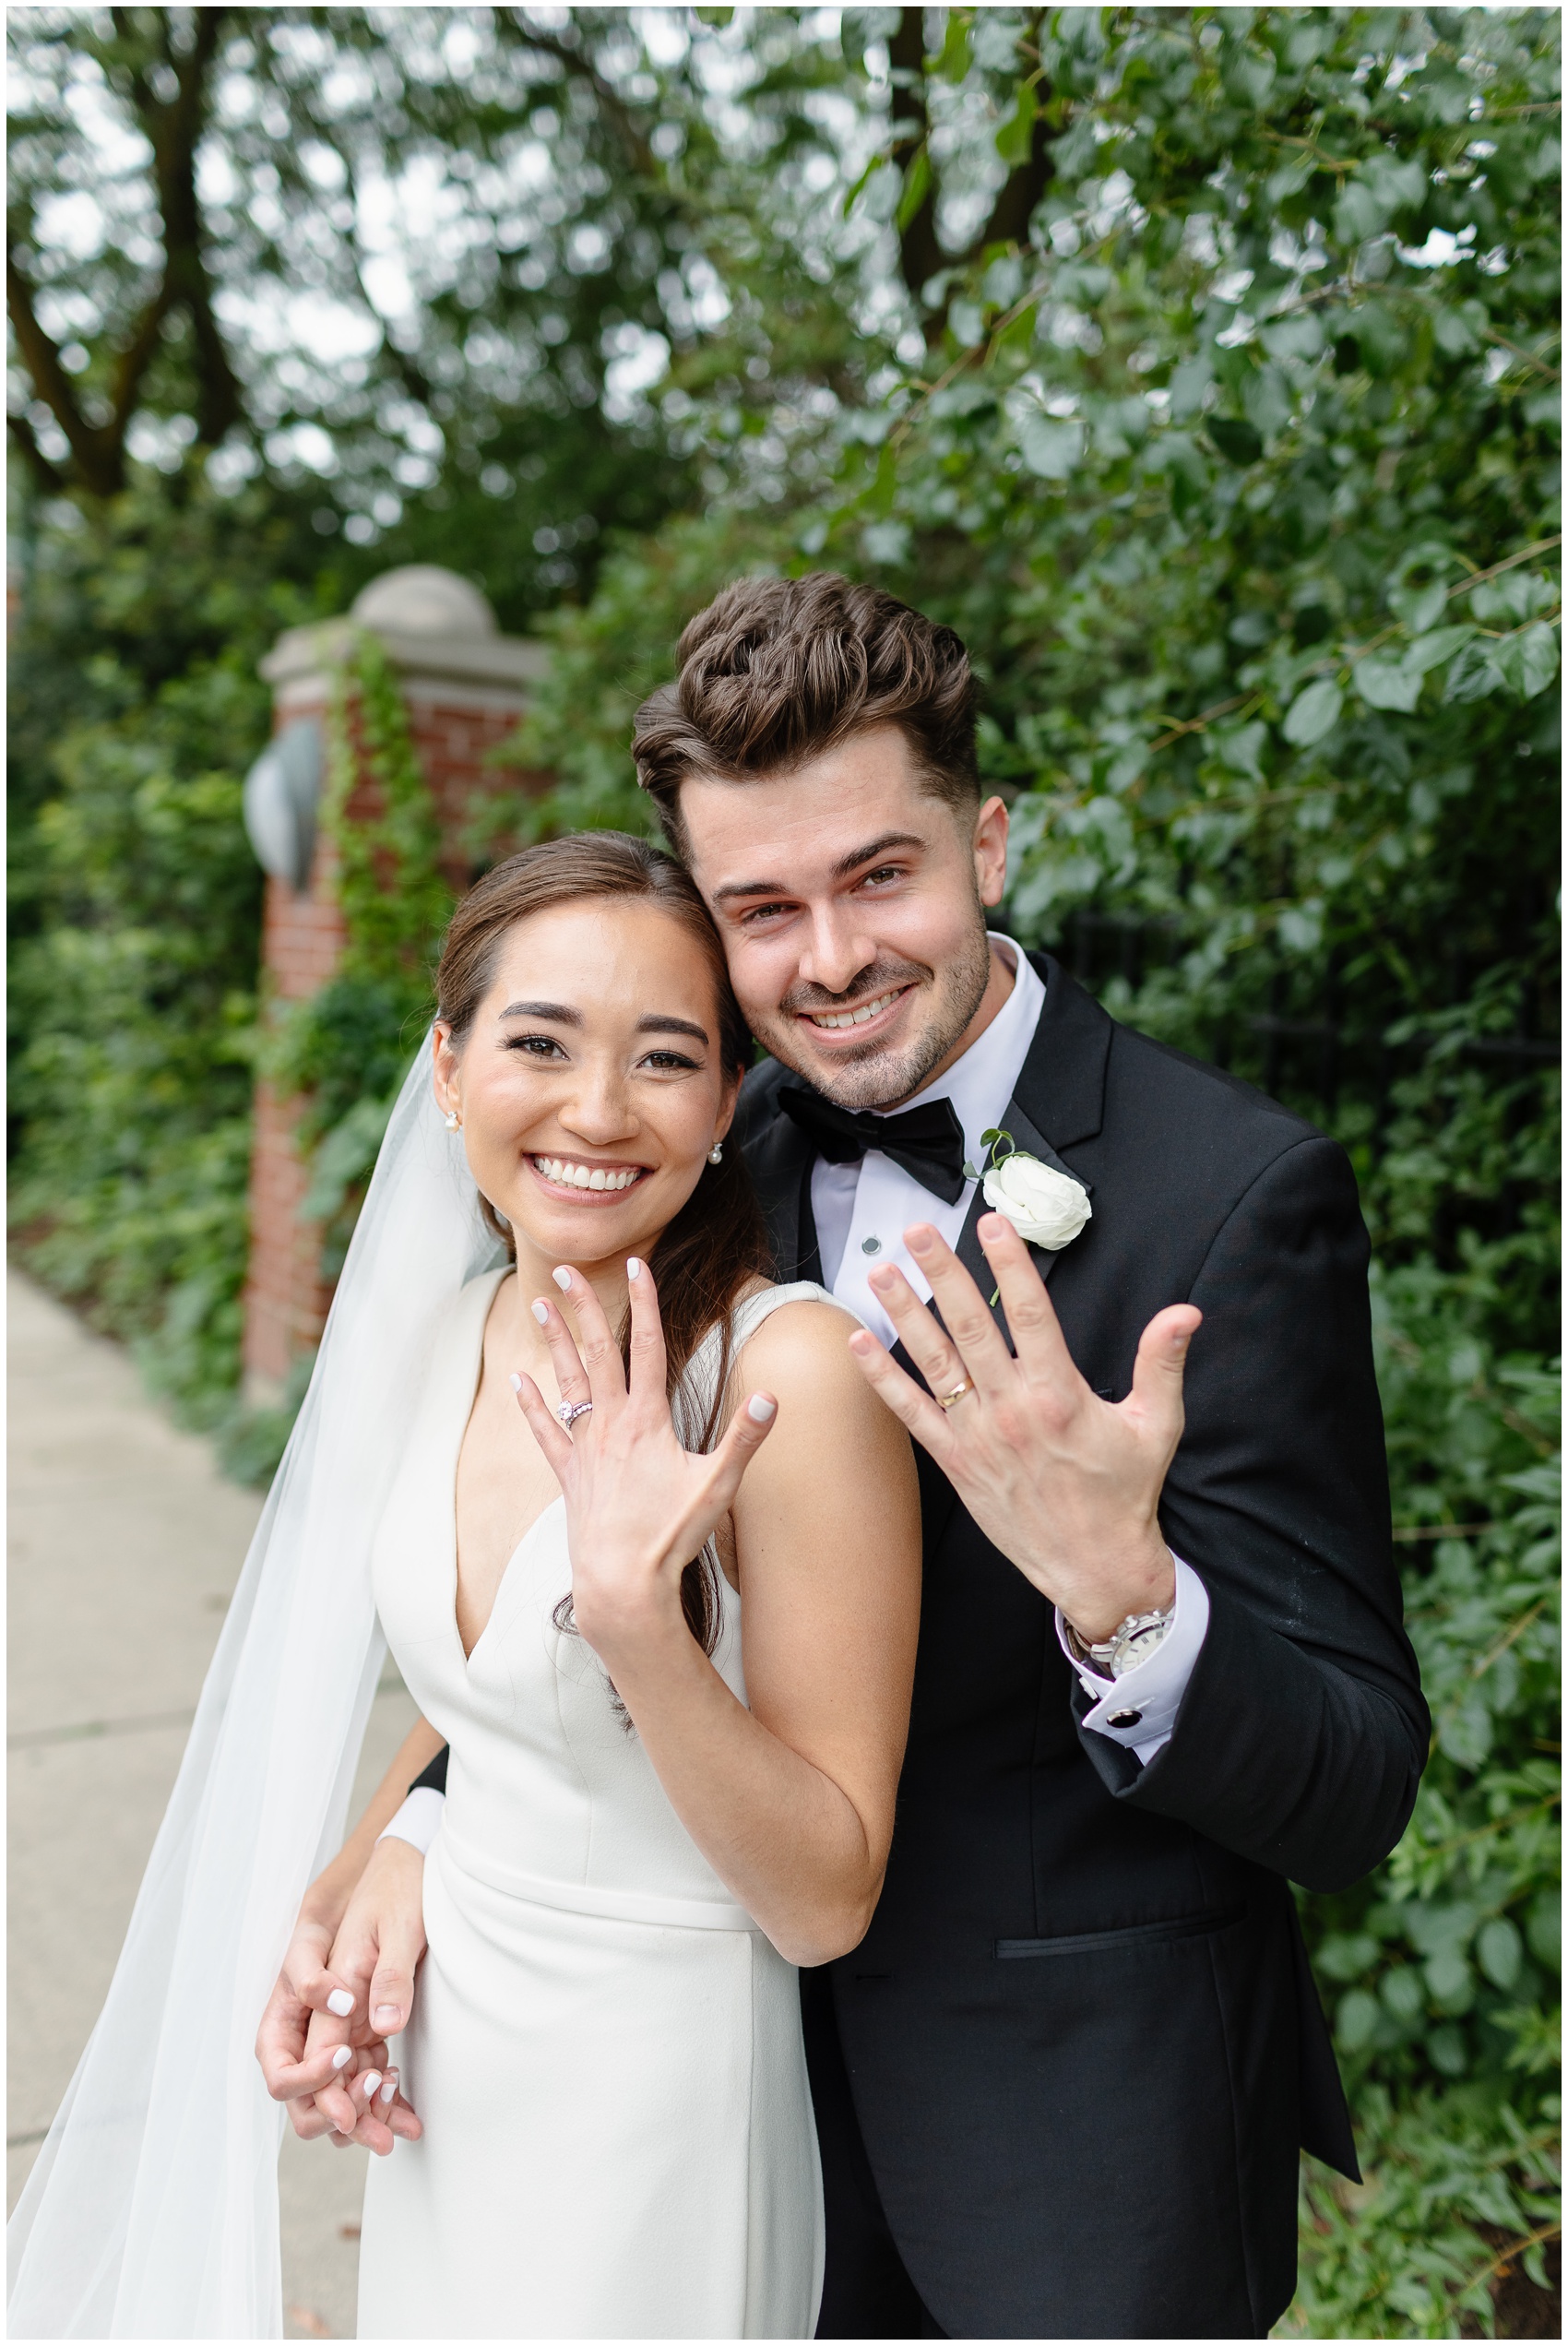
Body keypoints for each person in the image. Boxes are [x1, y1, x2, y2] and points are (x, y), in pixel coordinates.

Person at [261, 575, 1429, 2340]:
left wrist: (1132, 1599)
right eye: (760, 907)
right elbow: (577, 1569)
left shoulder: (1229, 1194)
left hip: (1071, 2152)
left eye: (881, 874)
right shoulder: (673, 1137)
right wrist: (419, 1829)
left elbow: (1355, 1791)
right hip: (690, 2095)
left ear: (992, 841)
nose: (828, 958)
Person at [7, 832, 921, 2340]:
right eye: (539, 1043)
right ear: (445, 1070)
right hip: (446, 2078)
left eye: (665, 1059)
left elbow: (827, 1897)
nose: (596, 1111)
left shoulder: (785, 1376)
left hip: (656, 2095)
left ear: (727, 1106)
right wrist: (339, 1906)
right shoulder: (442, 1342)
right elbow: (481, 1715)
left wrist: (642, 1626)